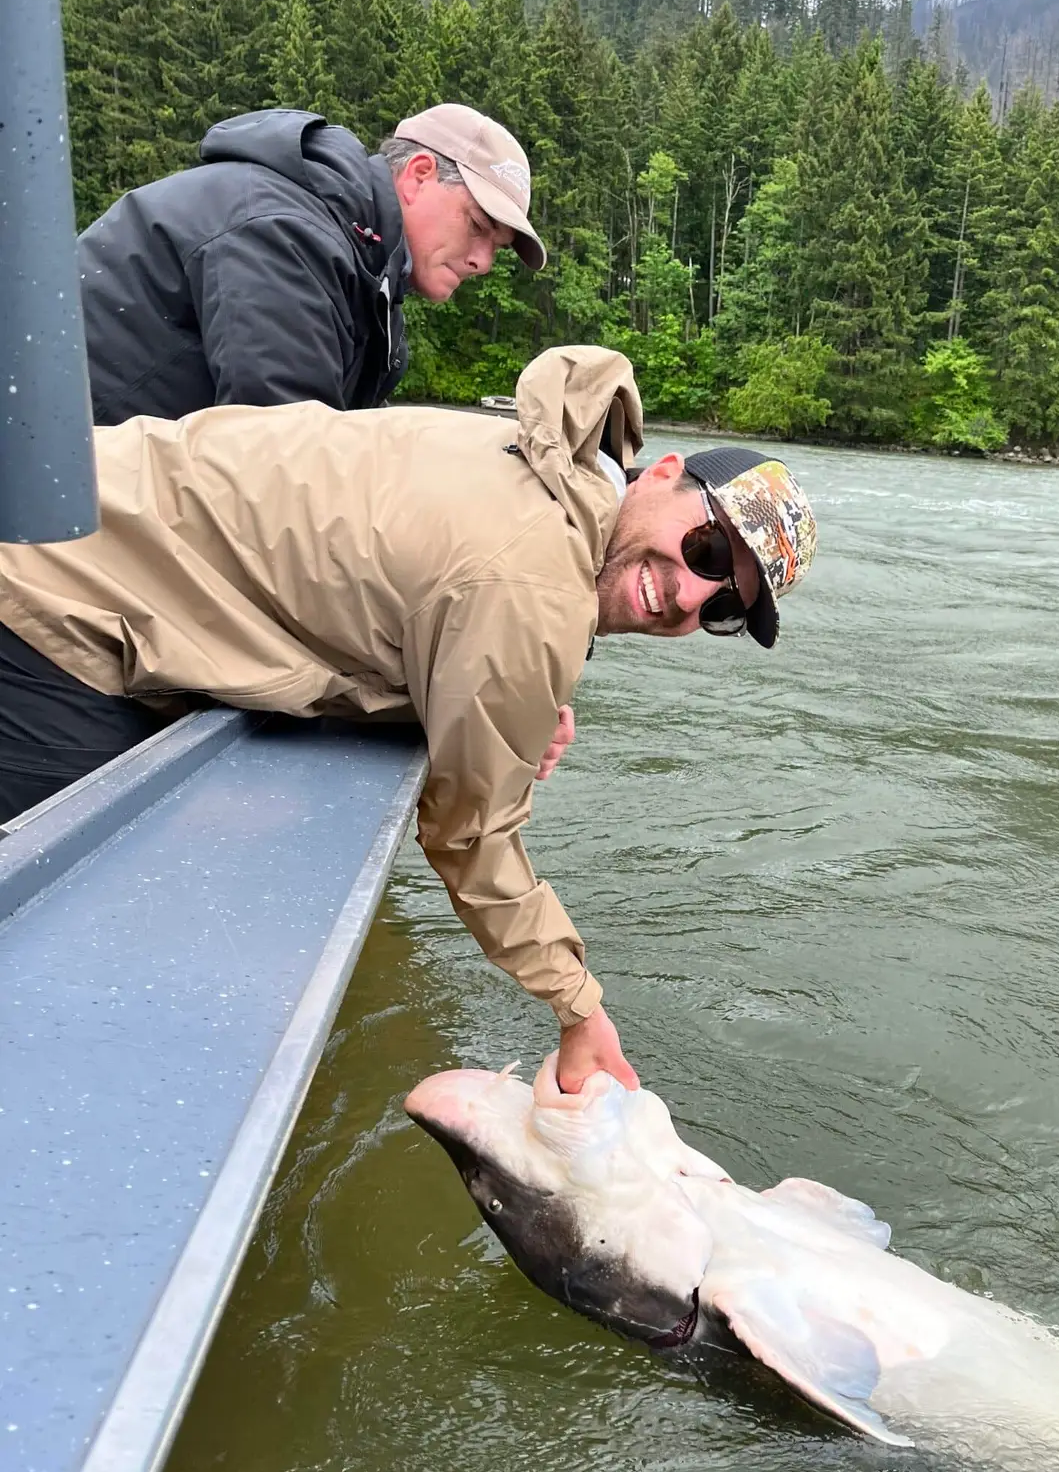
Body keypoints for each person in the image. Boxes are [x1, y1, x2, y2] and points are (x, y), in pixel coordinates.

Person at [0, 348, 818, 1092]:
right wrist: (579, 1009)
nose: (689, 595)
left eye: (724, 611)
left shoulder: (546, 456)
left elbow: (406, 596)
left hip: (57, 489)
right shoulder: (534, 591)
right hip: (58, 593)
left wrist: (483, 703)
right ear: (664, 471)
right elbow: (469, 834)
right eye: (711, 552)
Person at [77, 103, 545, 426]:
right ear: (418, 176)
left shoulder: (367, 279)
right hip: (43, 504)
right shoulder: (285, 237)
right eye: (478, 226)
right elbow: (286, 477)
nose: (482, 261)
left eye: (498, 247)